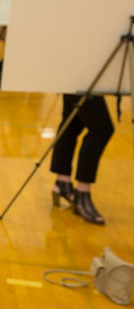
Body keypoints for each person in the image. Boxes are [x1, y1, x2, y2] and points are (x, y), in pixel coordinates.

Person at [50, 94, 113, 225]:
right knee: (102, 128)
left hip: (73, 75)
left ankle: (62, 182)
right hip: (80, 75)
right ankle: (82, 192)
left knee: (73, 122)